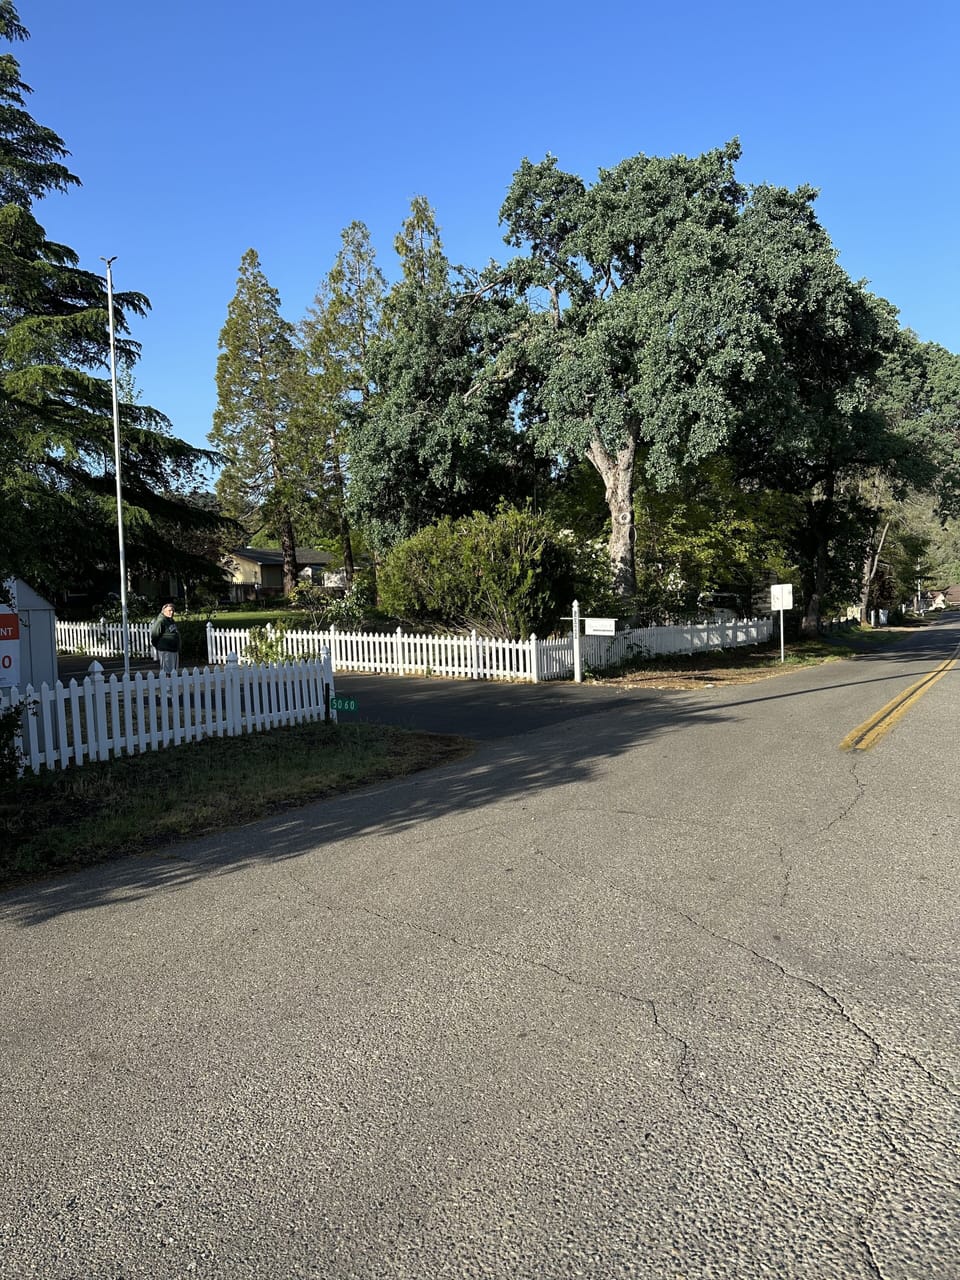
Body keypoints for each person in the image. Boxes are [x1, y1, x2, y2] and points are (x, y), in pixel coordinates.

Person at [150, 601, 181, 674]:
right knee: (167, 671)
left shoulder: (171, 621)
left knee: (174, 671)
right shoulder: (161, 621)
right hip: (166, 650)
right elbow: (155, 635)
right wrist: (158, 645)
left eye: (173, 611)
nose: (171, 612)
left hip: (174, 650)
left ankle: (172, 685)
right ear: (164, 611)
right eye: (169, 610)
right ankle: (166, 685)